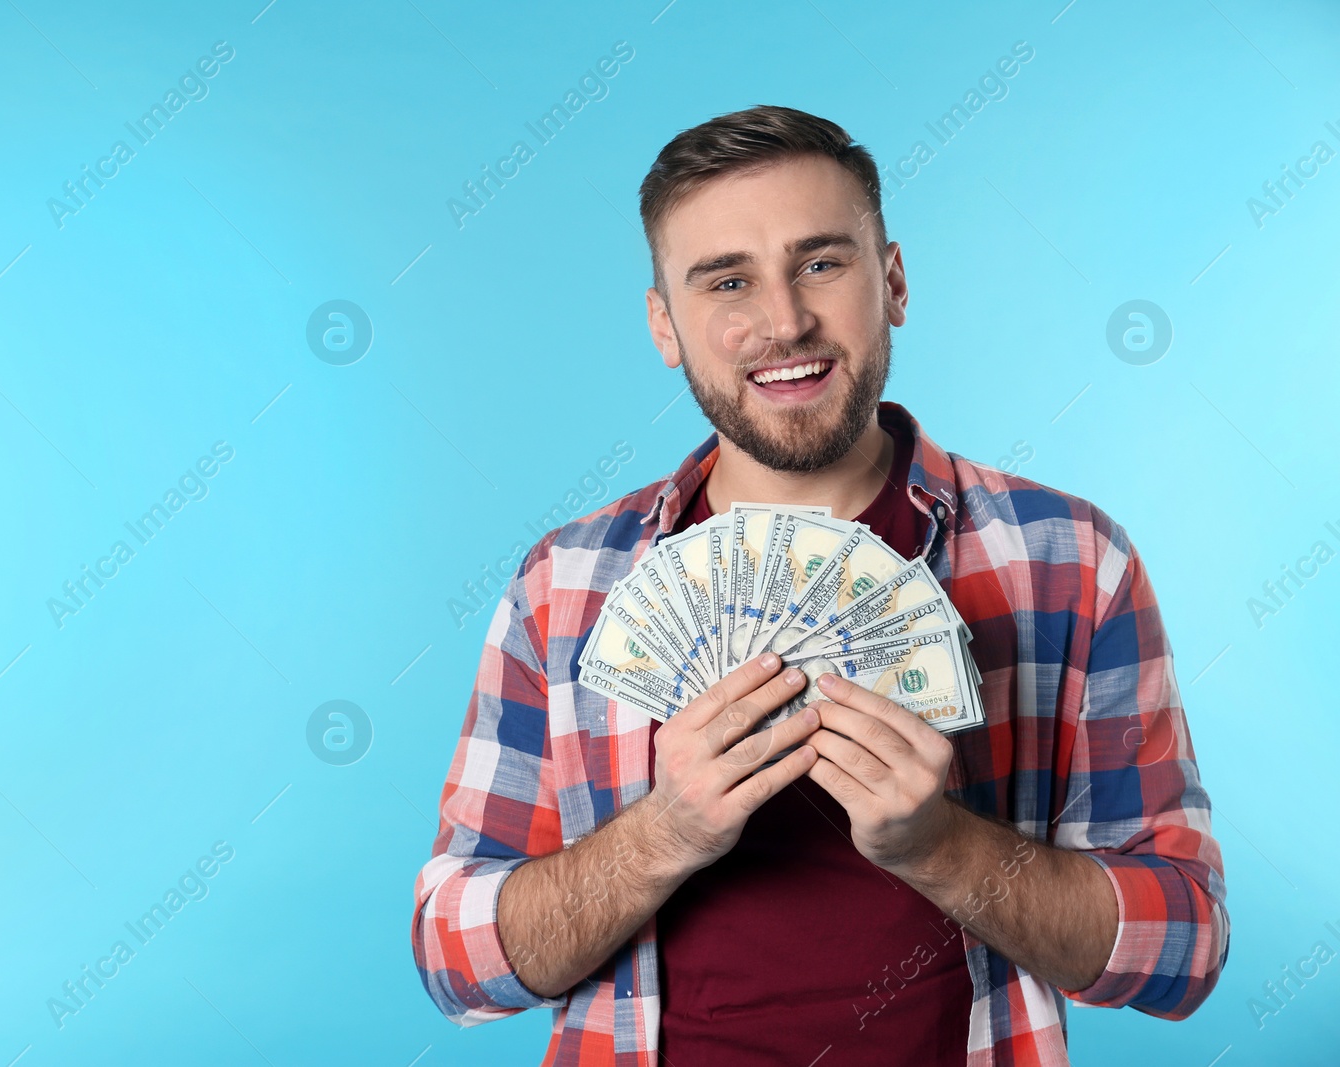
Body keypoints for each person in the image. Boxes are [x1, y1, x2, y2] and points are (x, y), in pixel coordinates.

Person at [411, 105, 1227, 1066]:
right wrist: (662, 834)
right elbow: (456, 961)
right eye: (727, 280)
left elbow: (1186, 945)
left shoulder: (1073, 561)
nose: (785, 321)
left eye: (822, 264)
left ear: (893, 280)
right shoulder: (564, 587)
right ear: (664, 326)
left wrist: (942, 847)